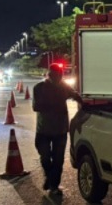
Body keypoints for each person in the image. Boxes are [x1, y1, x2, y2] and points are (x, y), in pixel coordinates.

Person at [32, 63, 83, 194]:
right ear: (50, 75)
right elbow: (36, 107)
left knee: (58, 159)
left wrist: (86, 105)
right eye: (56, 75)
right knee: (45, 157)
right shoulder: (39, 87)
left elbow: (76, 96)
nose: (58, 77)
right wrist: (55, 103)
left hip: (60, 130)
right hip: (43, 129)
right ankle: (49, 178)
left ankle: (54, 185)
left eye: (60, 75)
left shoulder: (63, 87)